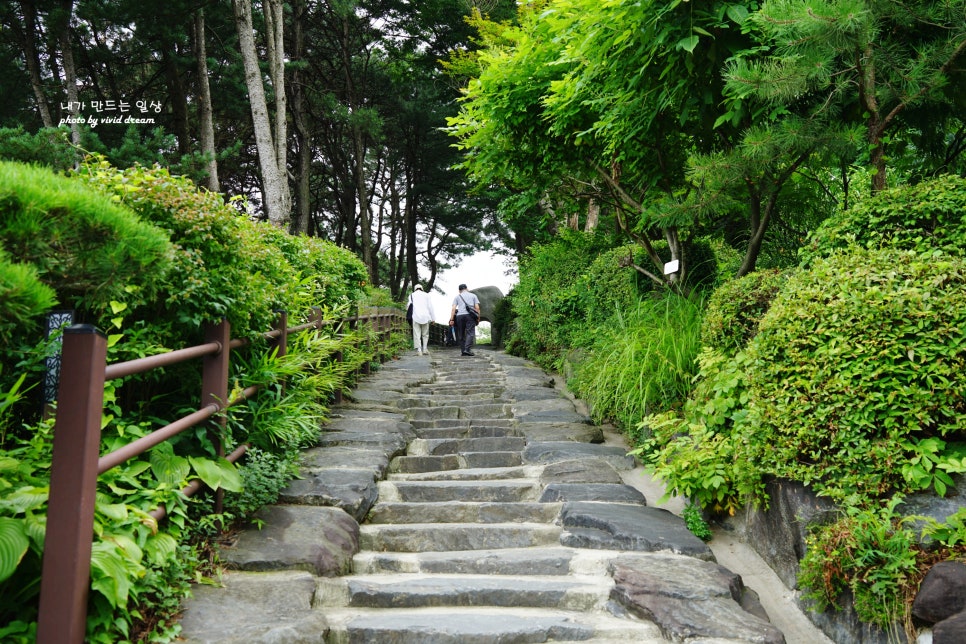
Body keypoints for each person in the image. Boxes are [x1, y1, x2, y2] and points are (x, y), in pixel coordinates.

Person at [449, 283, 481, 357]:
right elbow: (477, 308)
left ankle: (463, 351)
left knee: (461, 333)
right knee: (470, 333)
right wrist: (478, 317)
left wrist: (451, 319)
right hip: (470, 316)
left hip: (459, 316)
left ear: (459, 290)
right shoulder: (473, 295)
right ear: (467, 288)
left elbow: (453, 309)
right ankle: (467, 350)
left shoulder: (457, 297)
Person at [409, 284, 435, 355]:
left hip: (416, 316)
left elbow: (409, 306)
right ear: (422, 288)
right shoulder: (426, 295)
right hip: (425, 317)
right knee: (425, 334)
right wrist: (433, 318)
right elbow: (430, 307)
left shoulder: (411, 295)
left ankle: (419, 350)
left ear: (415, 289)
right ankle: (425, 349)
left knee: (417, 334)